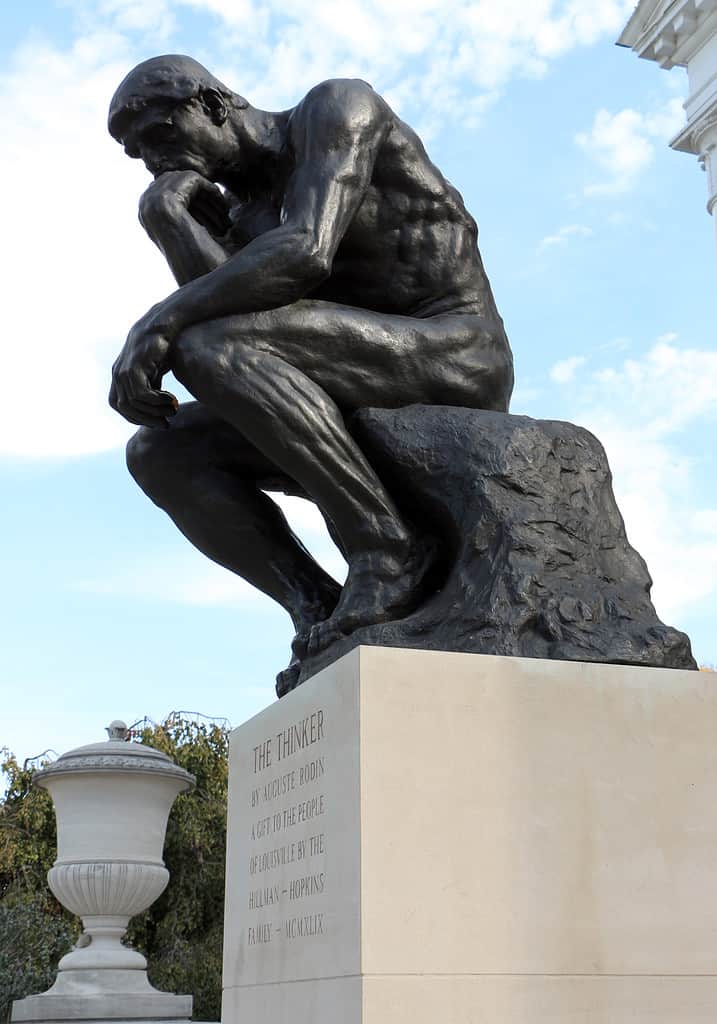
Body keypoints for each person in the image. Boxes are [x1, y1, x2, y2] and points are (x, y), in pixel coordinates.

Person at [107, 54, 514, 692]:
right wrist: (168, 221)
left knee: (203, 343)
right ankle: (315, 604)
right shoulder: (242, 214)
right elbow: (231, 313)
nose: (154, 159)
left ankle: (387, 548)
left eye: (159, 134)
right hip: (346, 370)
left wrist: (157, 323)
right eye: (137, 154)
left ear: (212, 104)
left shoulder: (336, 109)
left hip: (453, 349)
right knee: (160, 451)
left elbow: (305, 251)